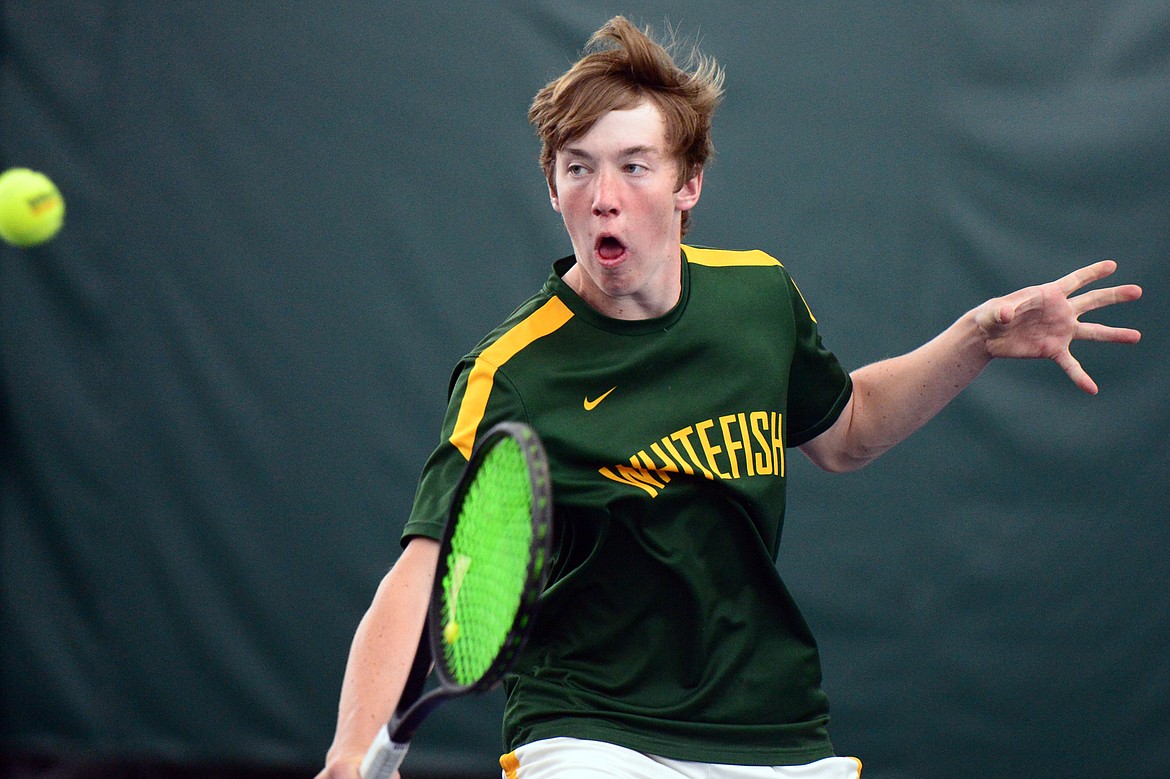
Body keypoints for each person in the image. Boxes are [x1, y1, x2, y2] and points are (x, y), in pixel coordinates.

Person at [317, 16, 1142, 779]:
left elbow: (848, 430)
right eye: (578, 167)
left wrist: (977, 338)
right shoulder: (512, 371)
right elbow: (422, 571)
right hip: (589, 727)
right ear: (553, 187)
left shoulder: (758, 299)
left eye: (634, 165)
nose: (604, 194)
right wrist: (352, 752)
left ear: (689, 185)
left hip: (771, 726)